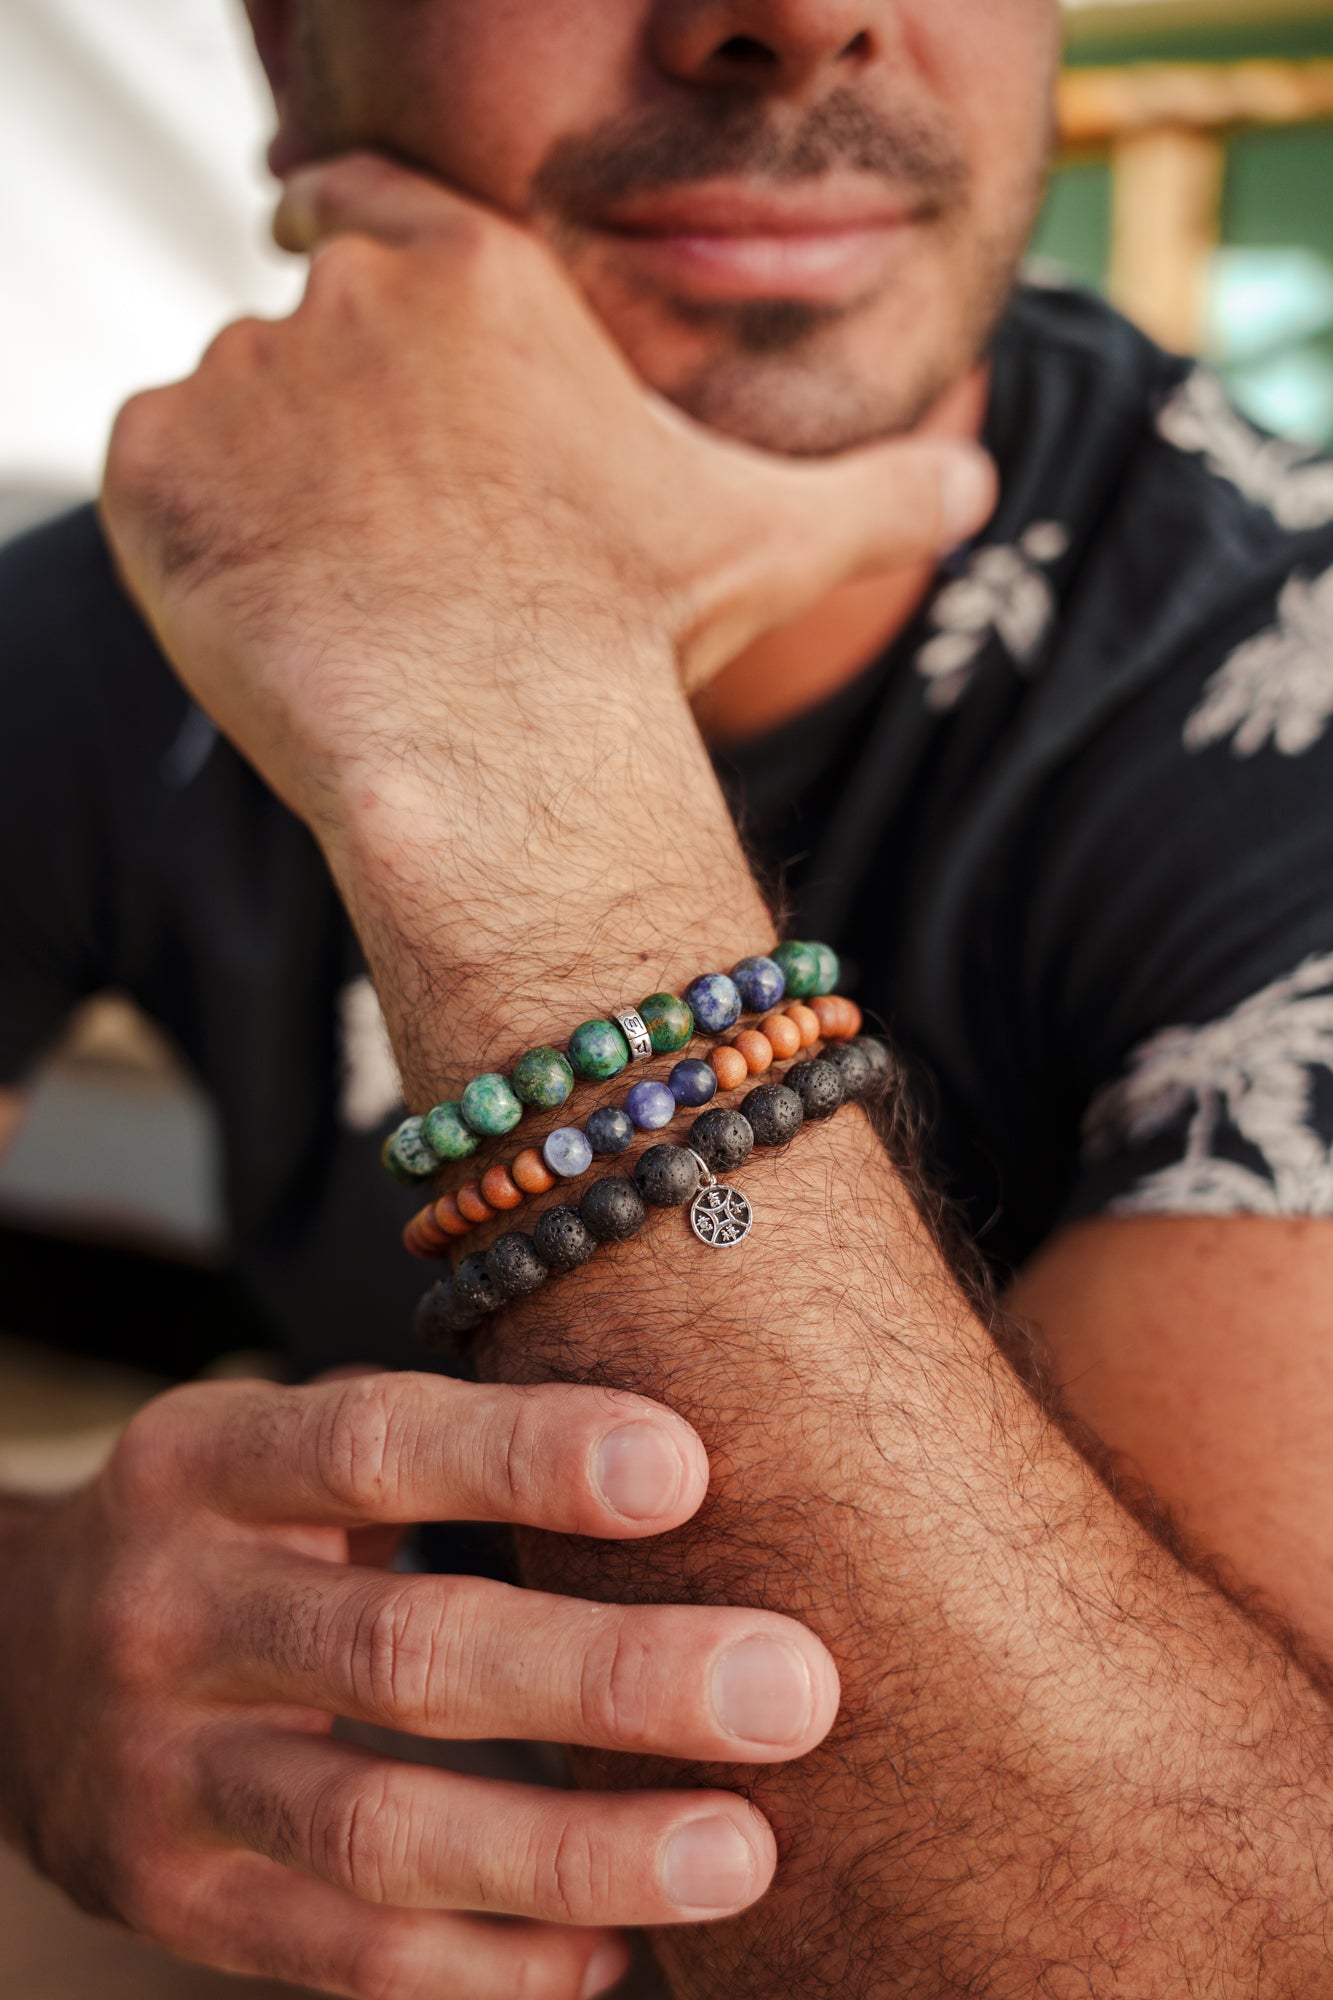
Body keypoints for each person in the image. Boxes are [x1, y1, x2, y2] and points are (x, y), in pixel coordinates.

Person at [4, 2, 1333, 1996]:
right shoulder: (124, 623)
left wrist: (511, 745)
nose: (796, 17)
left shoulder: (1284, 674)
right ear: (291, 53)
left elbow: (1179, 1951)